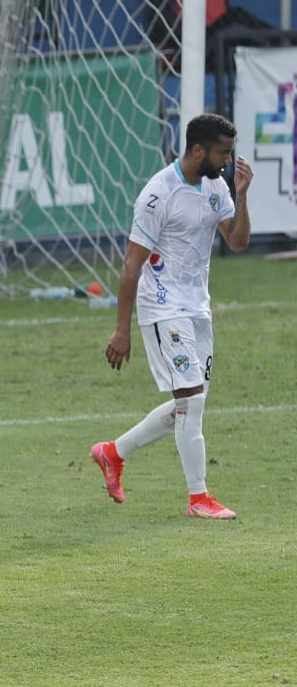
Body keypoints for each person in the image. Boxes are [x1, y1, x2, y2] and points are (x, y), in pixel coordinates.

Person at [90, 112, 252, 519]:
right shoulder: (158, 194)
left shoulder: (217, 187)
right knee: (191, 401)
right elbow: (131, 265)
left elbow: (237, 242)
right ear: (198, 150)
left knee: (188, 405)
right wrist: (120, 331)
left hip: (198, 307)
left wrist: (242, 194)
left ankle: (113, 452)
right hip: (162, 307)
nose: (228, 161)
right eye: (223, 153)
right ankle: (199, 498)